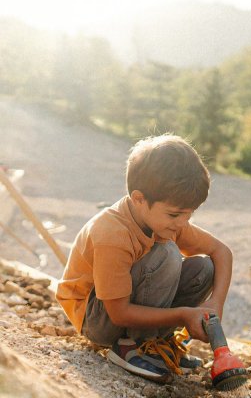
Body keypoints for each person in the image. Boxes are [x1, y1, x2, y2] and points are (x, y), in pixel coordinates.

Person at [56, 134, 234, 384]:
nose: (183, 223)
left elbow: (222, 252)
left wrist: (215, 303)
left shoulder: (168, 222)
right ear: (139, 199)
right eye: (175, 214)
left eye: (189, 214)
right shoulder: (112, 234)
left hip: (122, 308)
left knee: (204, 267)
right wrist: (183, 315)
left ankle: (155, 342)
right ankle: (129, 347)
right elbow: (118, 313)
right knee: (167, 253)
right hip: (98, 317)